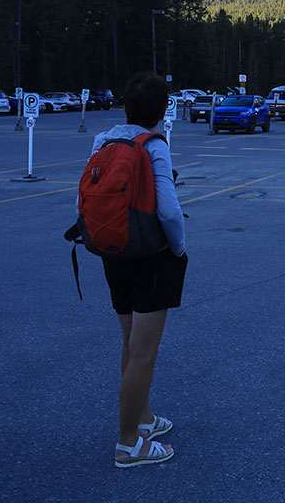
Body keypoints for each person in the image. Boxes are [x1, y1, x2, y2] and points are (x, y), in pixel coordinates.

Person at [90, 71, 188, 467]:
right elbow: (167, 208)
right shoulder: (154, 145)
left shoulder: (104, 140)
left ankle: (143, 418)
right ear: (162, 111)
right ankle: (129, 442)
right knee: (144, 353)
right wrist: (179, 249)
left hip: (113, 251)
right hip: (150, 256)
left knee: (131, 347)